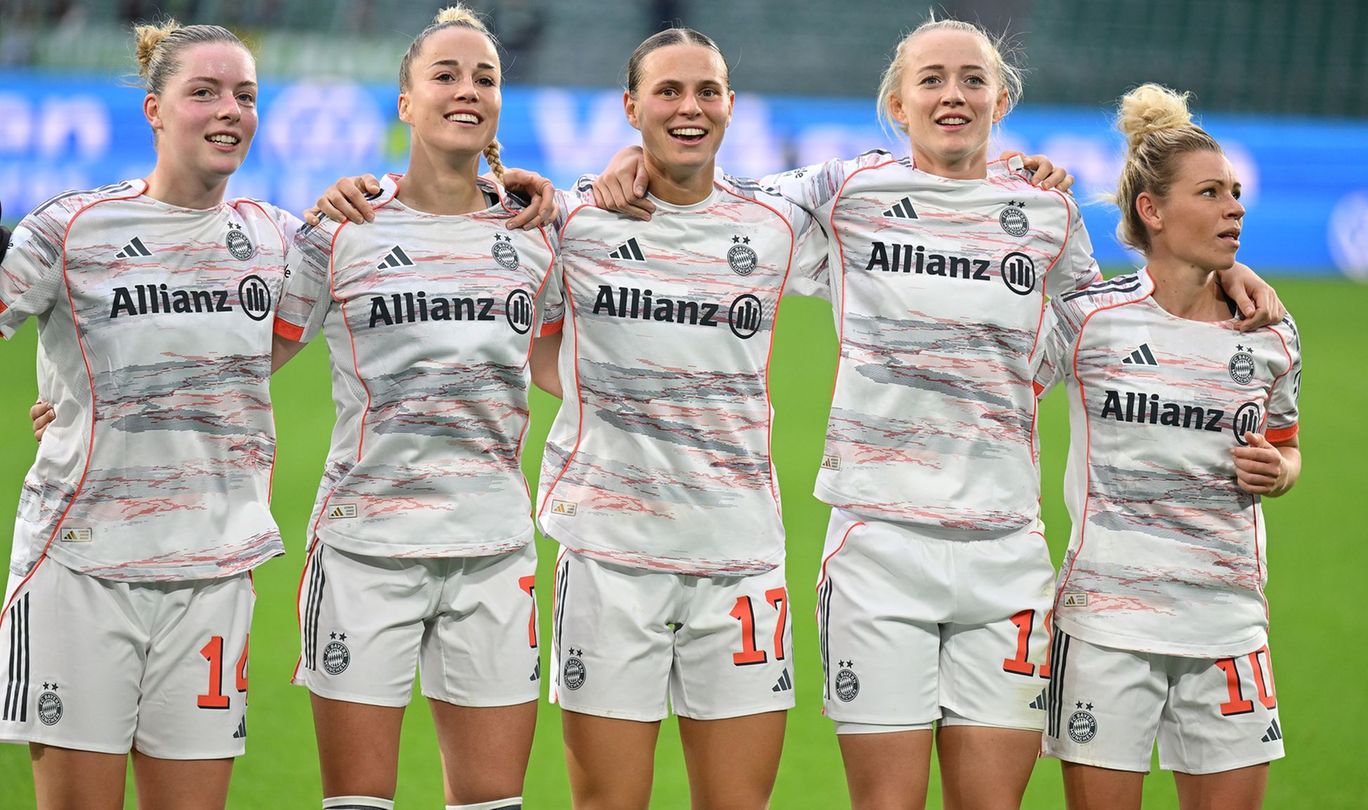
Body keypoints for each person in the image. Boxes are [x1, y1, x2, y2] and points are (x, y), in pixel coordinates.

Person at [588, 16, 1283, 810]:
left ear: (1000, 99)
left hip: (1005, 553)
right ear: (898, 102)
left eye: (972, 79)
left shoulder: (1050, 217)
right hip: (879, 546)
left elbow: (1099, 329)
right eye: (932, 79)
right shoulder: (843, 193)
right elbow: (710, 194)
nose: (953, 94)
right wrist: (632, 157)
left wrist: (1227, 272)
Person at [312, 26, 829, 808]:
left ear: (730, 105)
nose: (689, 107)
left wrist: (1021, 175)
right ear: (630, 106)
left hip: (741, 557)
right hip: (606, 555)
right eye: (667, 92)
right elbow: (524, 339)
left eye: (707, 92)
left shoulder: (776, 221)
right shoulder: (569, 223)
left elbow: (904, 182)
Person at [272, 7, 562, 810]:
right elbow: (252, 354)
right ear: (405, 101)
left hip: (495, 549)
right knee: (359, 804)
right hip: (366, 550)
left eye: (485, 78)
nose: (467, 90)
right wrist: (89, 398)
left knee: (492, 806)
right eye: (445, 76)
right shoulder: (342, 230)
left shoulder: (539, 229)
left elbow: (565, 364)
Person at [0, 20, 294, 809]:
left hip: (213, 573)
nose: (228, 109)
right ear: (155, 111)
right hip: (82, 566)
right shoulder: (68, 230)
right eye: (203, 92)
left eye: (244, 95)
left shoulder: (277, 240)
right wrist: (75, 406)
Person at [1034, 83, 1301, 810]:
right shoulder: (1092, 320)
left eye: (1235, 192)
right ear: (1152, 211)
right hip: (1106, 624)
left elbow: (1288, 448)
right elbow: (998, 368)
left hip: (1229, 623)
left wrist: (1280, 471)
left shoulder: (1270, 333)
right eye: (1211, 193)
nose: (1234, 207)